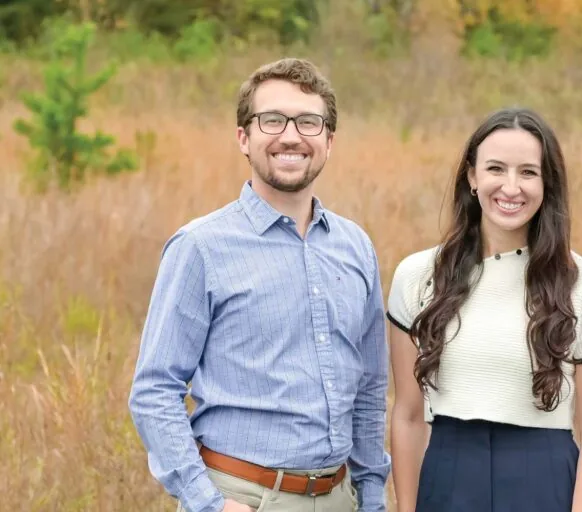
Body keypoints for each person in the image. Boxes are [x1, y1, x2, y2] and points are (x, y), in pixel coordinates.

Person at [128, 58, 391, 512]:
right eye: (272, 120)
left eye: (309, 121)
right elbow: (154, 390)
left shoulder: (356, 247)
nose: (291, 135)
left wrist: (371, 498)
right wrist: (208, 503)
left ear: (329, 141)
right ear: (244, 138)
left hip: (340, 498)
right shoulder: (201, 247)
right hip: (243, 498)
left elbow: (368, 390)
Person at [386, 107, 582, 512]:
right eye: (496, 168)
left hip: (544, 479)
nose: (511, 187)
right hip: (448, 476)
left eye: (528, 172)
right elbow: (407, 416)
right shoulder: (418, 275)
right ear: (472, 178)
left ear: (548, 183)